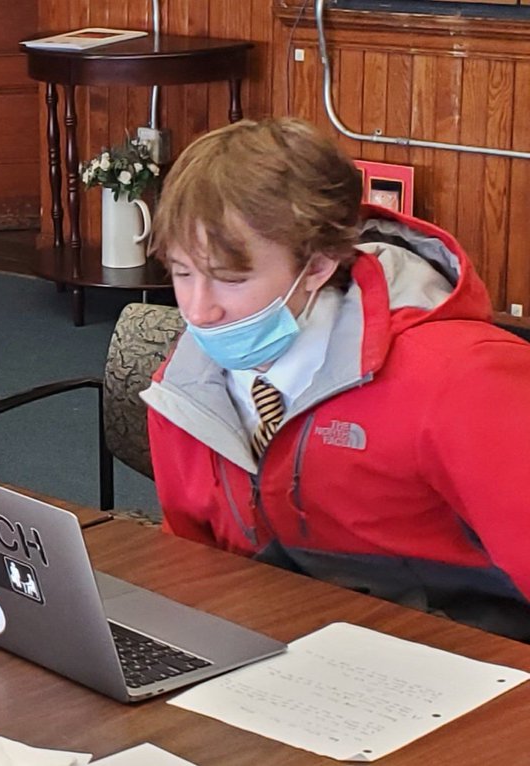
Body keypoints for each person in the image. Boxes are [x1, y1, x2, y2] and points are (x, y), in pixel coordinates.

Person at [141, 117, 530, 640]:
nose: (198, 309)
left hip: (469, 665)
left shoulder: (461, 378)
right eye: (182, 272)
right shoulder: (185, 384)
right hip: (284, 654)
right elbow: (195, 565)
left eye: (231, 279)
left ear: (319, 265)